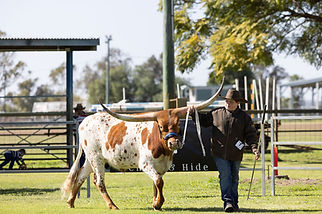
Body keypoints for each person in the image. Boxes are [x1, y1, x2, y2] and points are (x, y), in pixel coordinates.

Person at [190, 89, 260, 213]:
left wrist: (254, 148)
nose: (228, 103)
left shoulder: (244, 117)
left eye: (231, 101)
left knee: (235, 178)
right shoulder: (215, 113)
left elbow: (251, 135)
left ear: (238, 103)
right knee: (226, 175)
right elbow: (203, 121)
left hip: (236, 153)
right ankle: (228, 201)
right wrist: (193, 113)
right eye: (226, 101)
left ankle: (234, 202)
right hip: (219, 152)